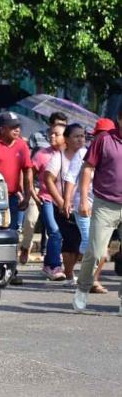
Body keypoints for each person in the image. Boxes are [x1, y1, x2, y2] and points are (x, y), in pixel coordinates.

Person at [72, 108, 122, 315]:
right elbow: (87, 168)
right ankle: (83, 288)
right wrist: (83, 200)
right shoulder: (104, 140)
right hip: (105, 204)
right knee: (95, 252)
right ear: (119, 119)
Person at [0, 112, 33, 285]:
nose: (17, 130)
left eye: (18, 126)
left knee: (12, 234)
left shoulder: (22, 146)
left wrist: (27, 194)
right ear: (2, 129)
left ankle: (12, 270)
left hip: (11, 197)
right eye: (12, 127)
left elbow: (28, 170)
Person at [63, 120, 114, 293]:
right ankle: (88, 280)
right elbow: (71, 177)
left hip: (105, 206)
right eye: (102, 134)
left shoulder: (114, 152)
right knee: (90, 243)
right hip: (83, 205)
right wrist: (67, 200)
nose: (106, 137)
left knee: (101, 246)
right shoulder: (84, 153)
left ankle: (90, 279)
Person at [45, 123, 85, 284]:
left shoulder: (88, 155)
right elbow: (48, 179)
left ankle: (70, 270)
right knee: (70, 241)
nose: (81, 139)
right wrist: (62, 202)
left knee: (80, 242)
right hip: (63, 207)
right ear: (67, 139)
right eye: (76, 136)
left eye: (83, 136)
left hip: (83, 207)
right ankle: (69, 274)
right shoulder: (59, 157)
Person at [30, 123, 66, 281]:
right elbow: (29, 172)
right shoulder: (42, 154)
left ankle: (47, 265)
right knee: (55, 232)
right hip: (46, 198)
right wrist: (32, 192)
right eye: (50, 134)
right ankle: (55, 266)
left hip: (64, 201)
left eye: (56, 134)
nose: (52, 136)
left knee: (59, 233)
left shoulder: (70, 155)